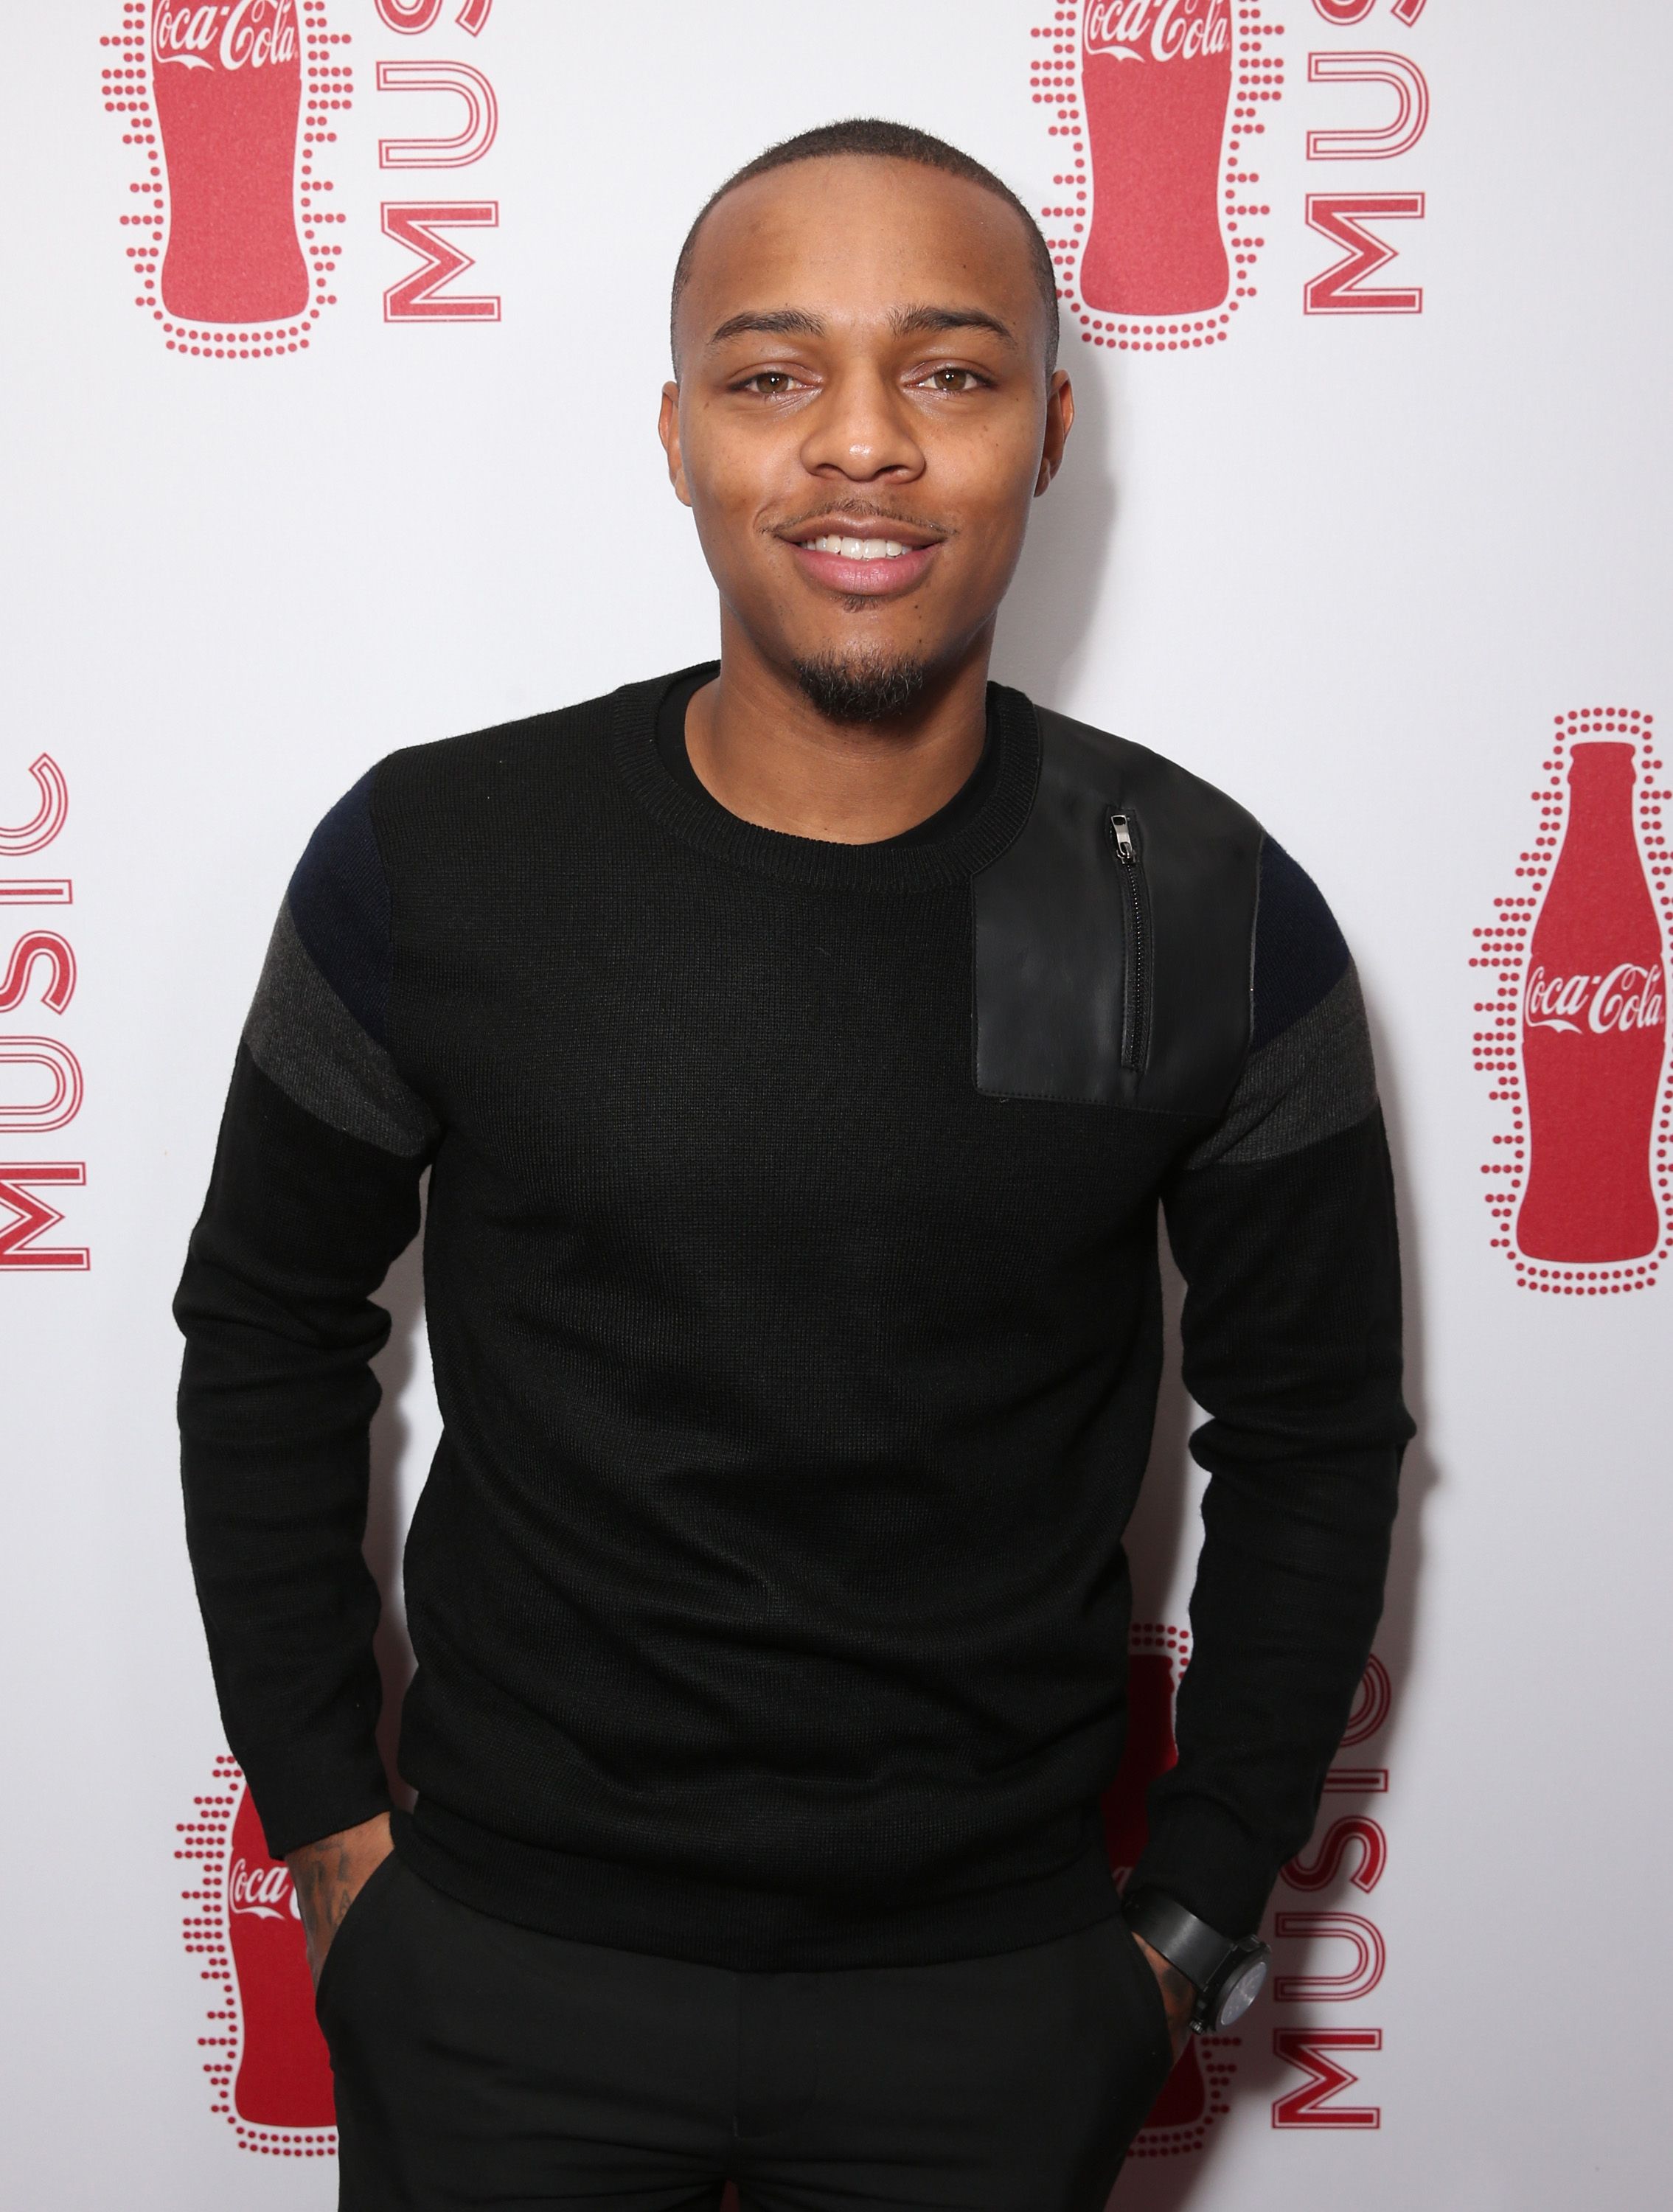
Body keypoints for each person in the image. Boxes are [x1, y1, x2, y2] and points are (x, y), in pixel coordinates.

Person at [175, 117, 1413, 2212]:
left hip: (997, 2002)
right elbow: (265, 1335)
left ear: (1046, 431)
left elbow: (1311, 1435)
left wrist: (1186, 1934)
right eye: (774, 377)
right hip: (499, 1975)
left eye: (949, 372)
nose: (863, 447)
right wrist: (335, 1849)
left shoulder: (1174, 897)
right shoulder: (447, 861)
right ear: (675, 436)